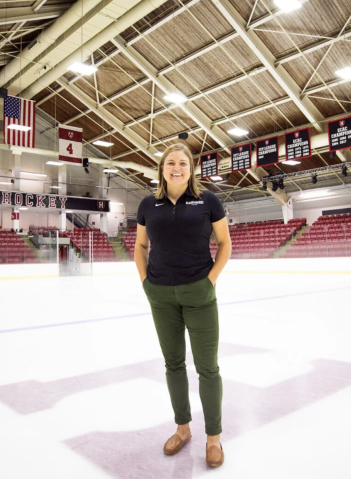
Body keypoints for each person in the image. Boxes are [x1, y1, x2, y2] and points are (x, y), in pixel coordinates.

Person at [135, 143, 232, 468]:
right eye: (170, 163)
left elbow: (224, 243)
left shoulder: (208, 201)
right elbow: (140, 245)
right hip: (161, 295)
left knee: (208, 368)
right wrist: (145, 282)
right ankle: (183, 428)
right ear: (162, 168)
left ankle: (214, 438)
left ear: (191, 169)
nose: (176, 168)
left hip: (199, 293)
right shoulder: (149, 204)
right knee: (173, 364)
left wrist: (210, 281)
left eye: (182, 163)